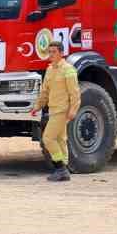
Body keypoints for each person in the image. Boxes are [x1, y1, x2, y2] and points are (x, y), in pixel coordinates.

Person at [34, 41, 80, 182]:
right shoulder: (49, 70)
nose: (51, 54)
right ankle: (63, 170)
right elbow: (45, 92)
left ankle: (60, 168)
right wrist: (38, 106)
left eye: (54, 52)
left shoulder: (68, 70)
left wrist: (73, 110)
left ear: (61, 53)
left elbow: (75, 93)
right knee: (60, 139)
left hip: (62, 110)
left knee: (48, 138)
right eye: (50, 52)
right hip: (53, 109)